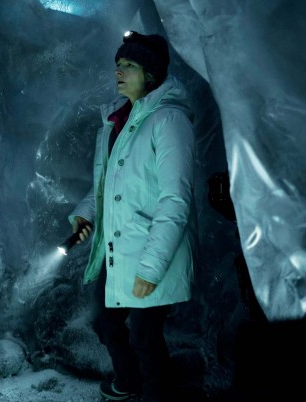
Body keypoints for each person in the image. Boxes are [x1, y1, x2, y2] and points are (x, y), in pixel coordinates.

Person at [68, 31, 197, 402]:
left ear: (151, 74)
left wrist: (150, 269)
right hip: (118, 247)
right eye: (118, 64)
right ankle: (129, 381)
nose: (119, 72)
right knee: (104, 321)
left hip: (152, 250)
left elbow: (176, 200)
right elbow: (107, 185)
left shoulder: (169, 121)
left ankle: (157, 394)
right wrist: (85, 215)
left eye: (129, 65)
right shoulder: (116, 122)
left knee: (144, 336)